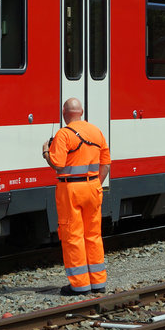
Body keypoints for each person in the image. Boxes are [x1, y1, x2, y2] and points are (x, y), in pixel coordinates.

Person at [42, 97, 111, 296]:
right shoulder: (96, 131)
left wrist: (46, 152)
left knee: (73, 236)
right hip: (93, 187)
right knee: (93, 235)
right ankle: (98, 282)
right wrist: (96, 183)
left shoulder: (64, 134)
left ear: (65, 114)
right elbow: (106, 163)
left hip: (70, 190)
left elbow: (58, 164)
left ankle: (80, 285)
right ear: (81, 112)